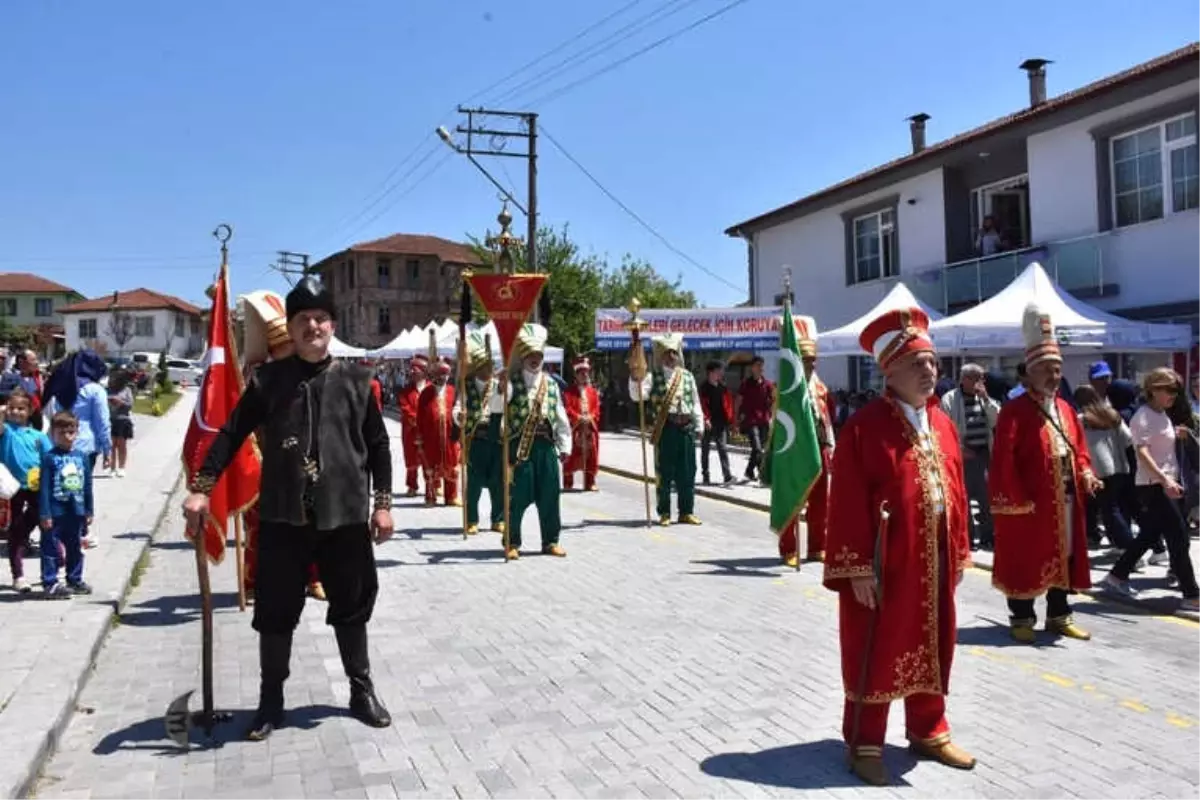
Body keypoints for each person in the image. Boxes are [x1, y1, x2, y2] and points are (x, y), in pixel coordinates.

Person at [182, 277, 394, 741]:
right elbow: (231, 434)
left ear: (331, 326)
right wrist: (202, 488)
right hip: (283, 518)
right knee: (276, 612)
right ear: (292, 329)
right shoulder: (268, 381)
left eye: (320, 319)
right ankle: (270, 703)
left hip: (345, 517)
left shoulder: (360, 381)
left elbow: (378, 446)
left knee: (352, 606)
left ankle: (361, 691)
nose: (312, 326)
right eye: (303, 320)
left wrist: (382, 505)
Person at [823, 307, 975, 787]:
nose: (929, 371)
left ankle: (929, 729)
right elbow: (844, 502)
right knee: (879, 646)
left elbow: (957, 489)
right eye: (917, 363)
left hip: (934, 558)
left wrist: (960, 550)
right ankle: (865, 741)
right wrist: (856, 569)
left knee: (934, 639)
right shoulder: (864, 428)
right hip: (884, 564)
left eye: (932, 362)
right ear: (889, 369)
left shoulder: (944, 424)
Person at [990, 303, 1101, 644]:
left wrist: (1085, 472)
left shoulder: (1066, 409)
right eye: (1048, 370)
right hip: (1030, 503)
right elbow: (1003, 459)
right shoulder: (1014, 411)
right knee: (1027, 557)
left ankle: (1059, 614)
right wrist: (1015, 499)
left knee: (1063, 554)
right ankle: (1022, 617)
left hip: (1066, 498)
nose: (1055, 376)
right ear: (1029, 373)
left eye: (1058, 369)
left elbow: (1079, 448)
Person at [238, 290, 325, 604]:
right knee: (260, 530)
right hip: (264, 464)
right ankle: (253, 582)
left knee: (312, 525)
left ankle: (313, 579)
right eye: (286, 346)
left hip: (305, 465)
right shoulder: (258, 379)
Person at [1102, 368, 1200, 611]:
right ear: (1153, 389)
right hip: (1153, 485)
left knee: (1149, 534)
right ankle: (1191, 595)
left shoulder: (1161, 414)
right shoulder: (1142, 416)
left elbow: (1159, 444)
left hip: (1166, 484)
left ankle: (1116, 576)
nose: (1173, 394)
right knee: (1178, 536)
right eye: (1168, 389)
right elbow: (1142, 452)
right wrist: (1164, 480)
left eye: (1176, 390)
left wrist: (1178, 435)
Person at [505, 324, 572, 559]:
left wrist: (565, 445)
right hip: (521, 447)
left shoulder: (551, 384)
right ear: (523, 356)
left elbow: (560, 415)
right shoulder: (511, 383)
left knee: (550, 496)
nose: (535, 359)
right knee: (517, 496)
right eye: (531, 355)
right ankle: (512, 542)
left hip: (546, 447)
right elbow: (497, 409)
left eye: (539, 355)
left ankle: (551, 540)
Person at [778, 317, 836, 567]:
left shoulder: (821, 387)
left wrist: (831, 444)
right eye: (806, 360)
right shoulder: (787, 389)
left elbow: (828, 418)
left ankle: (817, 546)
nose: (811, 364)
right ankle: (789, 548)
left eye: (813, 360)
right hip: (795, 450)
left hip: (820, 448)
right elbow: (779, 423)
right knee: (793, 499)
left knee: (821, 501)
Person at [629, 334, 704, 527]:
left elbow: (695, 402)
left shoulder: (687, 376)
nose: (671, 357)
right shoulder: (653, 377)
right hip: (666, 429)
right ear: (661, 356)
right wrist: (635, 376)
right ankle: (664, 512)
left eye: (673, 353)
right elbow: (637, 395)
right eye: (667, 353)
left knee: (687, 472)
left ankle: (686, 511)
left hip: (686, 428)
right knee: (665, 472)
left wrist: (700, 424)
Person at [42, 350, 110, 549]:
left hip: (58, 444)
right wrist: (107, 448)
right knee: (80, 488)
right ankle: (81, 532)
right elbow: (102, 422)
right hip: (85, 447)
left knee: (60, 488)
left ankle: (60, 532)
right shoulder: (94, 390)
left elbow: (49, 414)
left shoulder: (59, 386)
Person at [940, 364, 1000, 549]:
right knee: (963, 498)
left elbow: (997, 418)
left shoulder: (984, 398)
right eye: (975, 377)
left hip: (983, 454)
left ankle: (987, 536)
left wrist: (986, 399)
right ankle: (968, 537)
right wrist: (959, 448)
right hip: (962, 455)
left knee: (986, 498)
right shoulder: (949, 399)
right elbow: (944, 427)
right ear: (963, 379)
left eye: (981, 378)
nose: (979, 382)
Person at [453, 332, 506, 535]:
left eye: (490, 366)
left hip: (496, 438)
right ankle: (471, 520)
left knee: (497, 482)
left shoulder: (498, 386)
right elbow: (457, 408)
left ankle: (498, 519)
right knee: (473, 483)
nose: (488, 370)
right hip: (475, 440)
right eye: (484, 366)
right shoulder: (466, 386)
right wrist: (460, 417)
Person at [0, 388, 51, 593]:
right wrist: (3, 410)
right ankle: (18, 575)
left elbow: (49, 459)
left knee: (43, 523)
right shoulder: (6, 432)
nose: (16, 412)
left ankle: (54, 563)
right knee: (15, 531)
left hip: (36, 487)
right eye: (12, 408)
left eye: (21, 408)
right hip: (13, 488)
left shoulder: (38, 436)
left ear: (30, 411)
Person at [38, 411, 94, 598]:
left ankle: (74, 579)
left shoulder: (82, 457)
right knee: (50, 548)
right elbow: (44, 487)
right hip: (55, 511)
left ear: (77, 432)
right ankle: (50, 582)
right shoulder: (49, 457)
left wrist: (89, 510)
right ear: (53, 433)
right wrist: (44, 513)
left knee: (75, 547)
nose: (67, 437)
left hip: (76, 511)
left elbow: (87, 485)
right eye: (61, 433)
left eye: (71, 432)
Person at [1075, 385, 1136, 552]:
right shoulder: (1112, 414)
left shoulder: (1080, 419)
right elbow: (1128, 439)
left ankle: (1130, 548)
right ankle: (1120, 543)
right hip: (1121, 466)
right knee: (1118, 507)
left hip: (1099, 469)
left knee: (1109, 510)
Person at [417, 358, 460, 507]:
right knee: (430, 467)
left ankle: (451, 496)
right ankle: (431, 496)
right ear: (434, 375)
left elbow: (458, 411)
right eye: (441, 374)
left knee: (451, 465)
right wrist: (419, 437)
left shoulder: (453, 391)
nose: (443, 378)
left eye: (446, 375)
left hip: (450, 436)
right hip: (431, 436)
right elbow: (420, 416)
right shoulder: (425, 393)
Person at [737, 356, 774, 483]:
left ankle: (749, 471)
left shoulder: (768, 385)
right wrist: (736, 419)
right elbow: (738, 401)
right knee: (757, 448)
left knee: (758, 449)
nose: (760, 368)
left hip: (764, 421)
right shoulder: (746, 384)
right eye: (758, 365)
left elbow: (773, 401)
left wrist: (771, 417)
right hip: (750, 420)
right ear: (752, 368)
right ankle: (762, 473)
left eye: (762, 365)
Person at [698, 360, 734, 486]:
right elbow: (701, 405)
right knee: (705, 449)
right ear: (711, 372)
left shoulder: (723, 387)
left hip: (720, 423)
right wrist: (705, 419)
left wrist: (730, 419)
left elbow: (728, 404)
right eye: (718, 370)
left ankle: (727, 475)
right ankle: (705, 475)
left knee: (723, 448)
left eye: (721, 371)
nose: (721, 373)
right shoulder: (703, 388)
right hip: (707, 423)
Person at [397, 356, 428, 497]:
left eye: (415, 370)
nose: (412, 373)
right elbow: (405, 408)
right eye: (412, 370)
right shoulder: (406, 391)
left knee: (429, 457)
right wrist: (417, 421)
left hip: (428, 430)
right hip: (411, 430)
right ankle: (412, 485)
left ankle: (432, 485)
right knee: (412, 457)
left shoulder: (430, 388)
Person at [107, 370, 134, 478]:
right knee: (111, 445)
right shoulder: (108, 390)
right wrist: (110, 399)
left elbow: (130, 405)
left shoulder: (127, 390)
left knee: (121, 445)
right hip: (110, 419)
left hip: (123, 419)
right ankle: (112, 468)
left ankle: (121, 467)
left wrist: (121, 402)